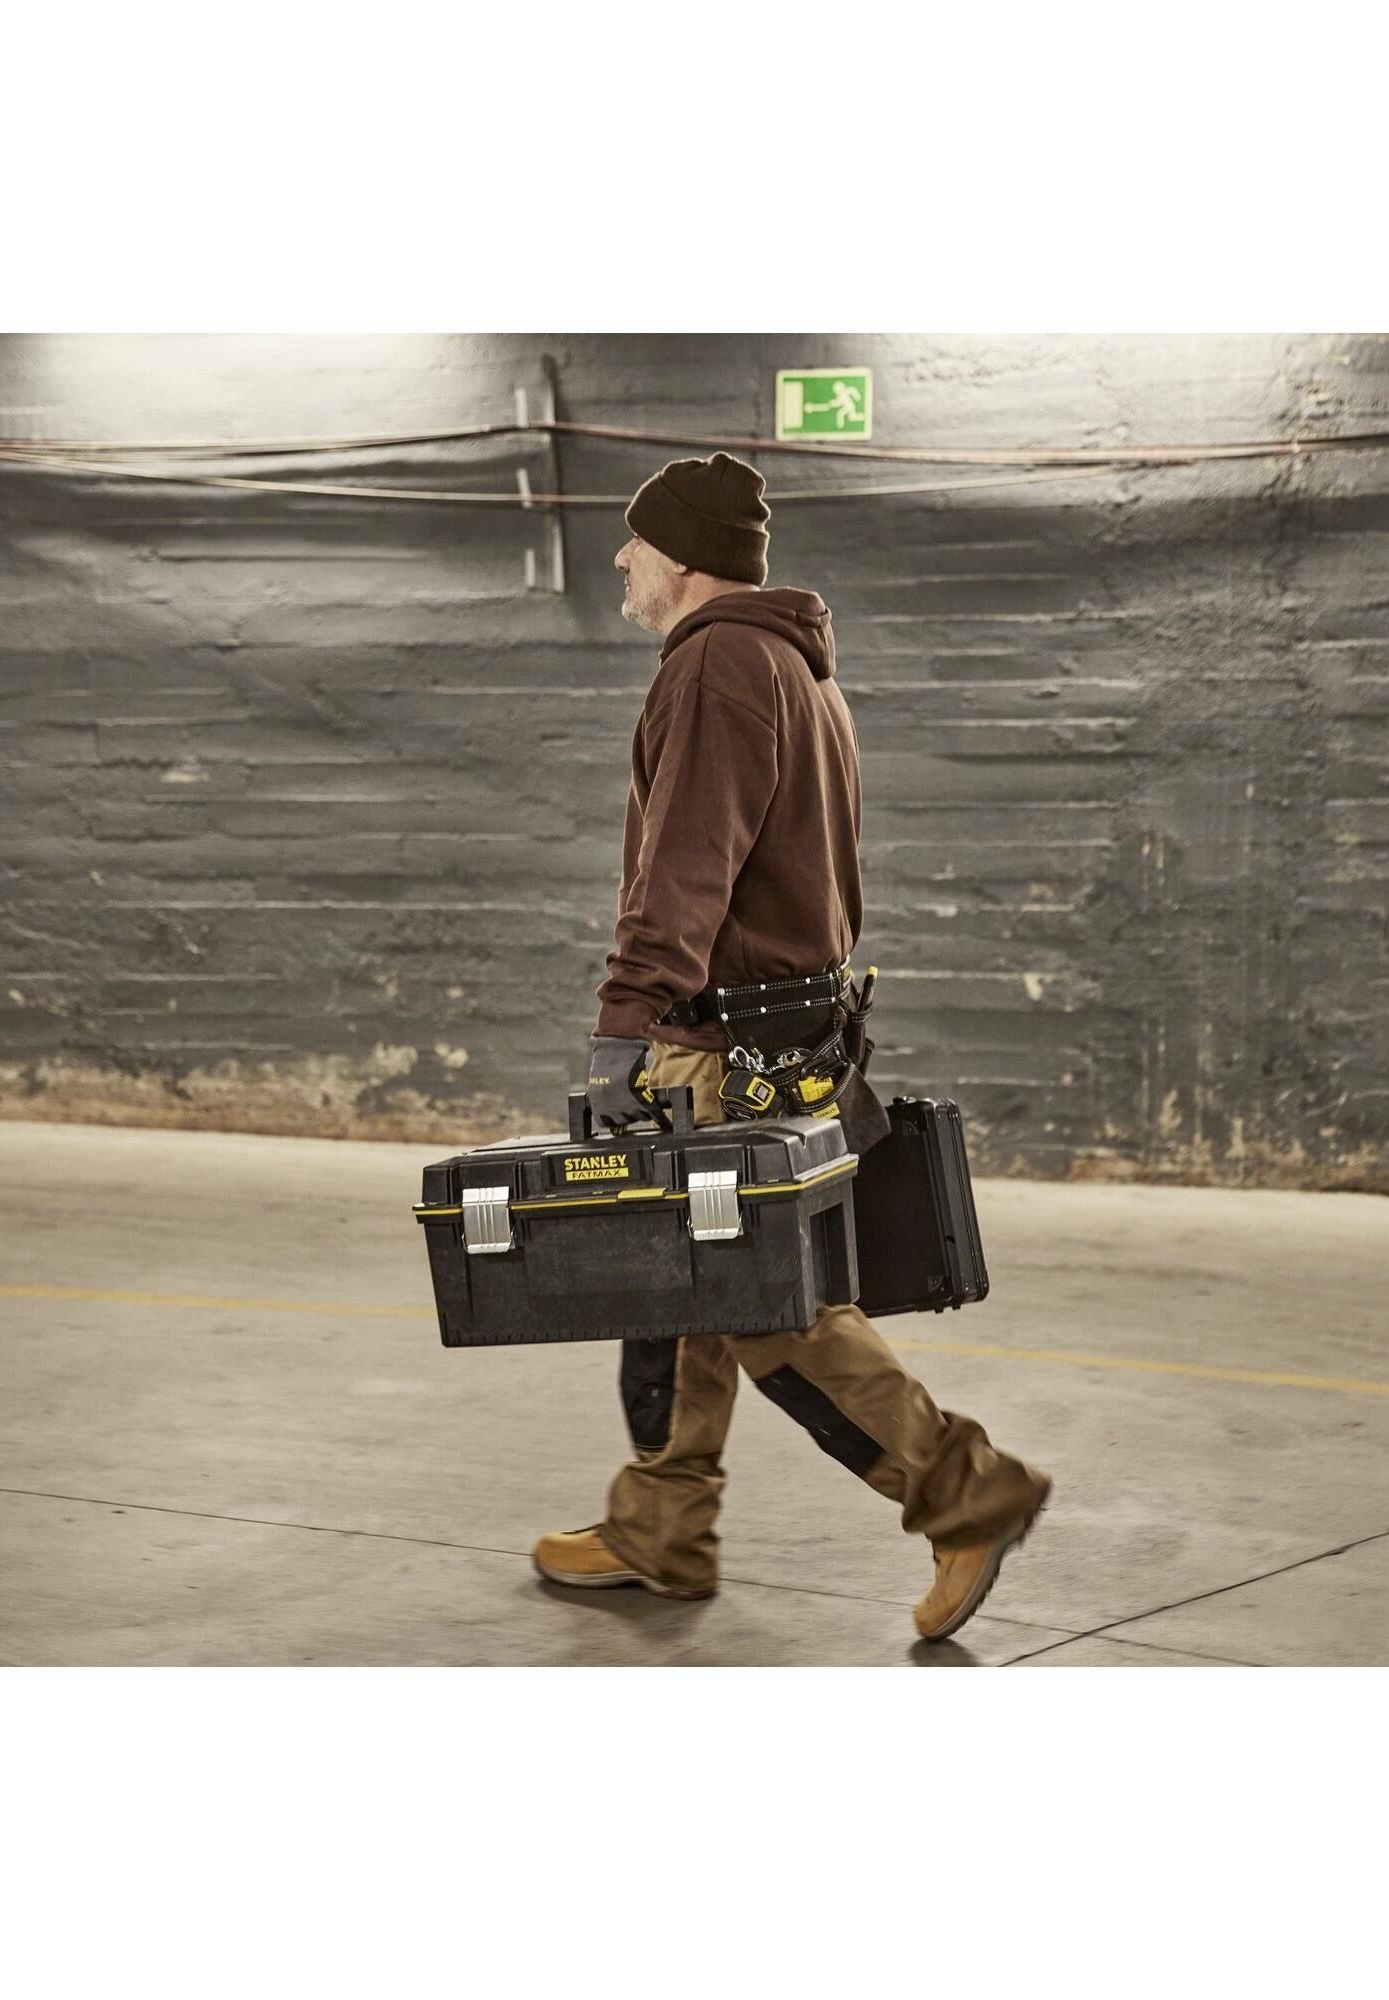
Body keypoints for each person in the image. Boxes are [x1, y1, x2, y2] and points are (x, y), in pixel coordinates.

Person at [531, 451, 1051, 1642]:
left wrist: (626, 1021)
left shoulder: (715, 665)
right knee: (681, 1287)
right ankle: (660, 1525)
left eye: (635, 541)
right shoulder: (798, 672)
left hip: (716, 1046)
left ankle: (963, 1491)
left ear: (683, 558)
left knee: (765, 1305)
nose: (620, 559)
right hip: (790, 1035)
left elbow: (683, 869)